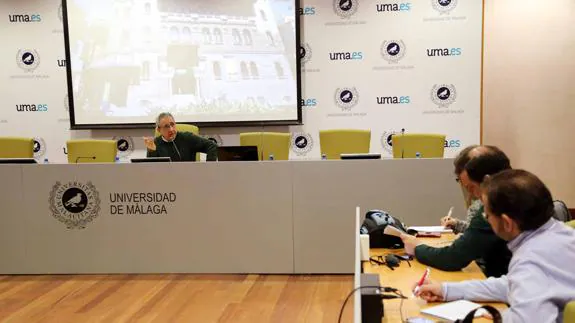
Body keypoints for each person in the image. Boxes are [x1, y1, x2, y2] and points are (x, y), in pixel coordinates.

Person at [414, 169, 575, 323]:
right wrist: (447, 290)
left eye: (487, 215)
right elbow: (511, 283)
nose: (486, 218)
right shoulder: (561, 235)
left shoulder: (531, 260)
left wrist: (505, 317)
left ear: (506, 223)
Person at [401, 146, 513, 277]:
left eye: (471, 187)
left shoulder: (496, 207)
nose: (474, 195)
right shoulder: (518, 192)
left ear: (487, 181)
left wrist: (417, 247)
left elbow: (453, 258)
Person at [144, 112, 218, 161]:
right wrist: (151, 151)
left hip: (189, 179)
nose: (171, 129)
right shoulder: (155, 143)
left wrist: (209, 168)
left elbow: (212, 145)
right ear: (159, 129)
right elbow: (151, 169)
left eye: (172, 124)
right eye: (166, 126)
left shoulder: (187, 138)